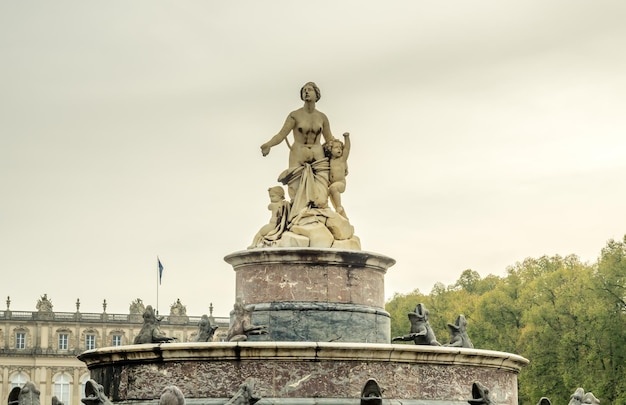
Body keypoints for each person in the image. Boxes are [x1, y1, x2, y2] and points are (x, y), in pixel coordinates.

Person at [260, 82, 339, 218]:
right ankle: (298, 218)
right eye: (304, 91)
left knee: (321, 193)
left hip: (317, 155)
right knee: (296, 194)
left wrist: (341, 156)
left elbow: (329, 139)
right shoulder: (295, 115)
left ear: (316, 94)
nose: (306, 92)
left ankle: (319, 217)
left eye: (309, 90)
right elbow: (281, 134)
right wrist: (268, 145)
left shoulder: (322, 117)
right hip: (298, 153)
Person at [324, 132, 350, 218]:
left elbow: (347, 148)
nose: (339, 149)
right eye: (336, 147)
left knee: (333, 188)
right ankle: (342, 214)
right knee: (326, 194)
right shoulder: (329, 161)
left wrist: (346, 137)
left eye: (340, 148)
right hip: (332, 185)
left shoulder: (342, 159)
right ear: (330, 150)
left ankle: (339, 207)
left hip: (341, 183)